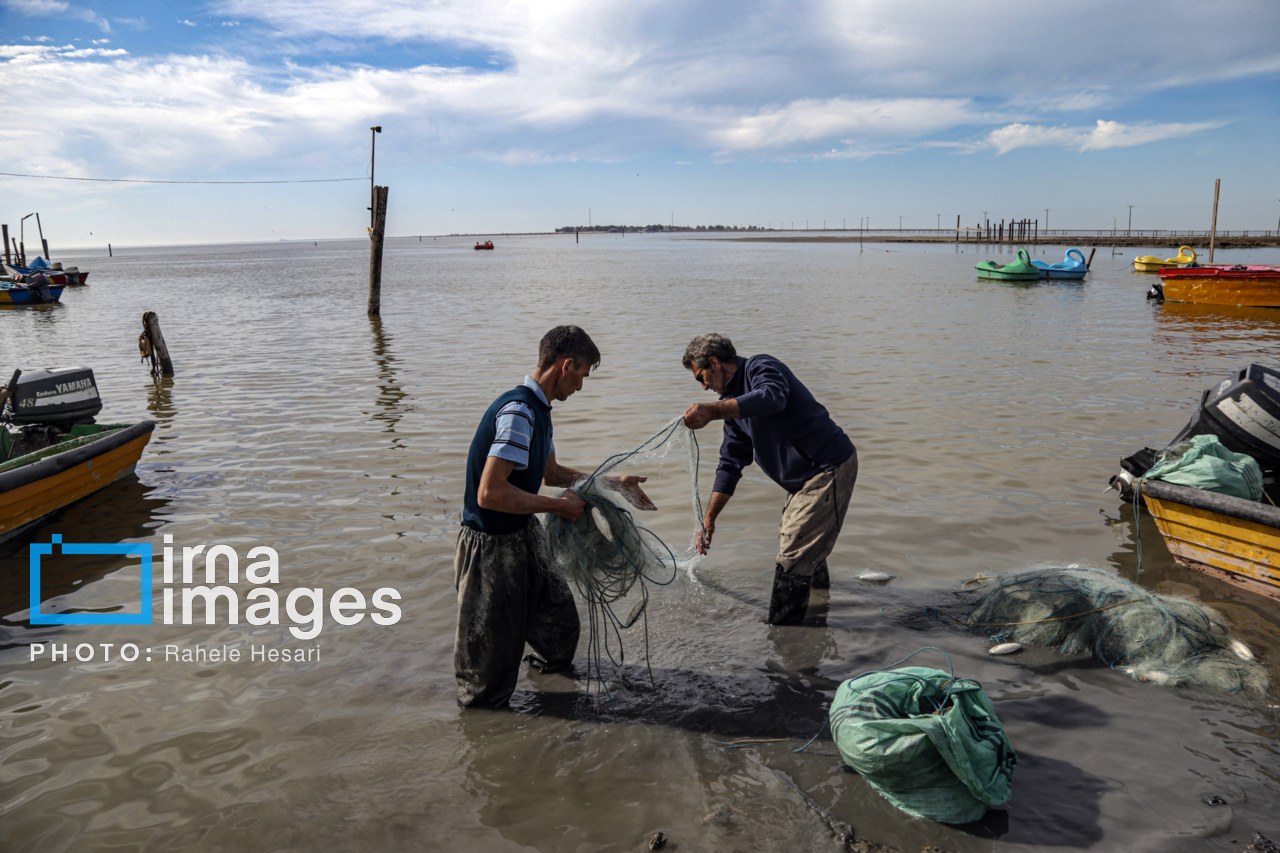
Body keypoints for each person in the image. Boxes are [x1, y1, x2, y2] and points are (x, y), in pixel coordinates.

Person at [455, 325, 654, 708]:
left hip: (523, 533)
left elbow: (551, 474)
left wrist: (613, 483)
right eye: (582, 375)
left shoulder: (540, 411)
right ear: (566, 366)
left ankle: (552, 707)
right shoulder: (518, 412)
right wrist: (560, 506)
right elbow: (490, 493)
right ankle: (486, 732)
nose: (580, 386)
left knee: (559, 628)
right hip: (489, 544)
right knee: (487, 666)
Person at [681, 334, 857, 625]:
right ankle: (818, 616)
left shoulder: (761, 367)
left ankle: (785, 640)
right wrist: (709, 517)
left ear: (714, 363)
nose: (704, 387)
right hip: (802, 483)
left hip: (828, 468)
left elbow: (772, 397)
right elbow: (730, 463)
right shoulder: (731, 407)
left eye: (702, 377)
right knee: (805, 547)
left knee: (792, 556)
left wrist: (712, 411)